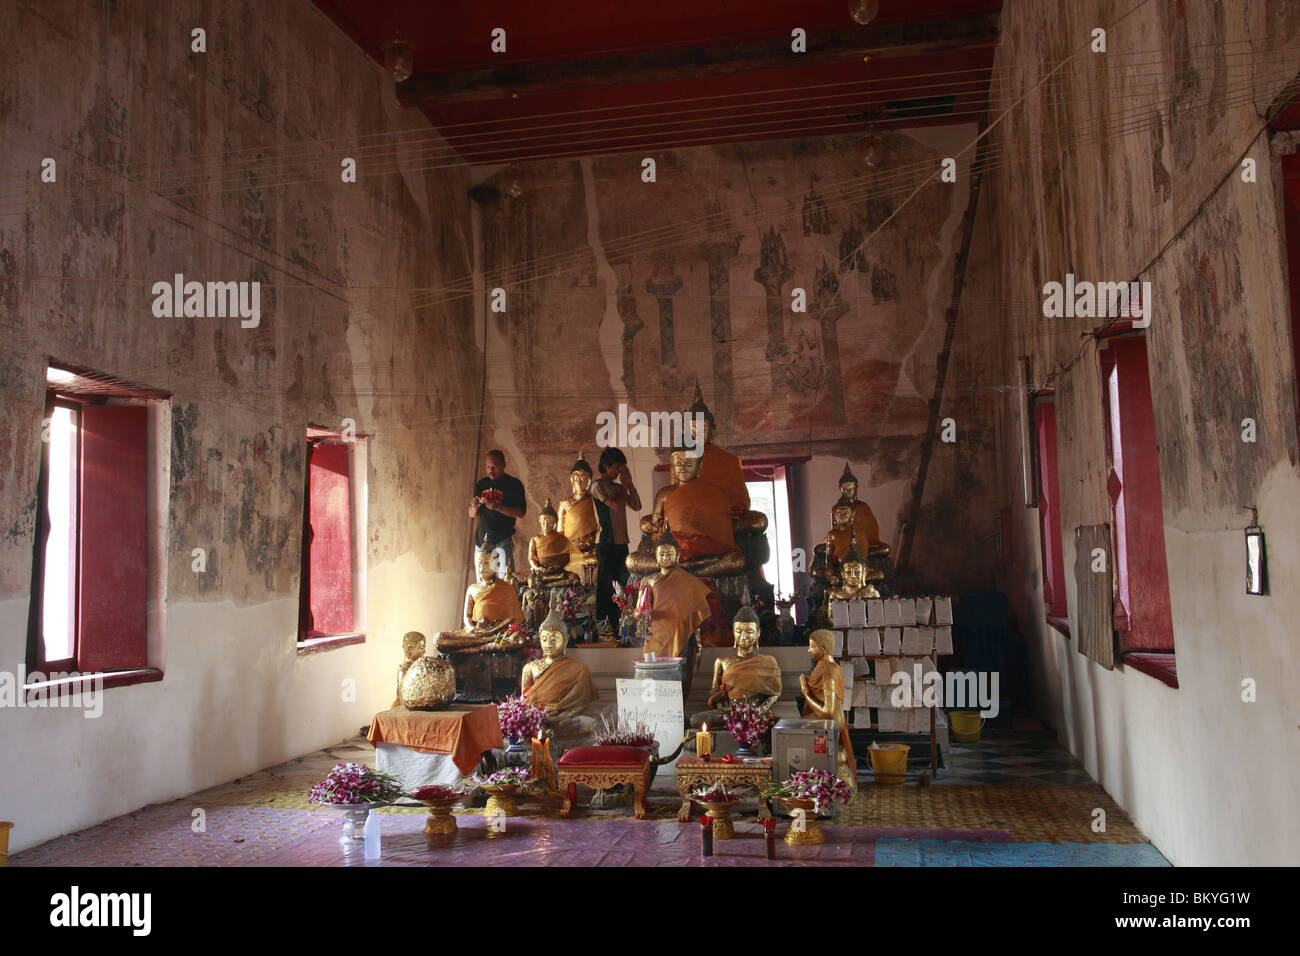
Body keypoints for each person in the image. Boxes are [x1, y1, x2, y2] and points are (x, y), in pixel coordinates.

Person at [590, 448, 642, 628]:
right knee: (606, 586)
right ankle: (605, 625)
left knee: (622, 585)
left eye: (621, 467)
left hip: (621, 542)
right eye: (617, 467)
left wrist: (630, 484)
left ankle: (621, 623)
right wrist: (624, 487)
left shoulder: (619, 487)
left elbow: (636, 505)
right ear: (606, 465)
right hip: (606, 542)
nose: (619, 471)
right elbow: (616, 506)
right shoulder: (598, 486)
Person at [467, 449, 526, 574]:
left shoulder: (513, 484)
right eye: (488, 466)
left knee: (504, 581)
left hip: (502, 540)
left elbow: (520, 513)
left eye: (494, 466)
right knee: (482, 583)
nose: (490, 470)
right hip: (481, 541)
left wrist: (498, 507)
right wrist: (474, 507)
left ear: (504, 465)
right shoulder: (481, 484)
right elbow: (471, 514)